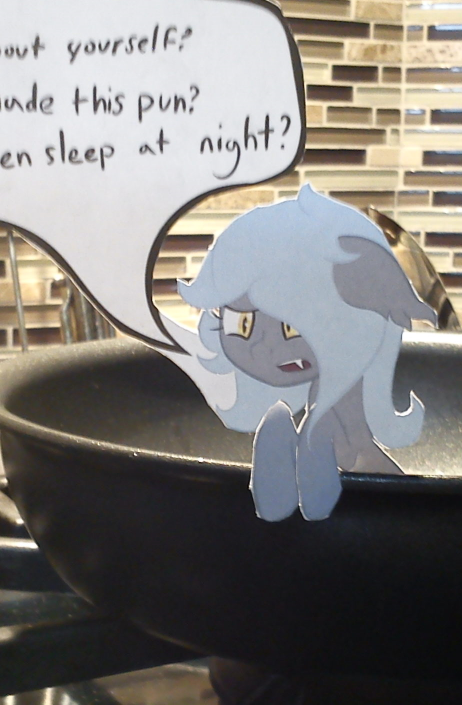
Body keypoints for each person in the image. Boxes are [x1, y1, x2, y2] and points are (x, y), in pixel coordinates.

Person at [175, 184, 431, 521]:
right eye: (242, 323)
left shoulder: (347, 404)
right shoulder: (279, 418)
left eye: (292, 327)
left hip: (369, 514)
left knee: (346, 454)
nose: (263, 346)